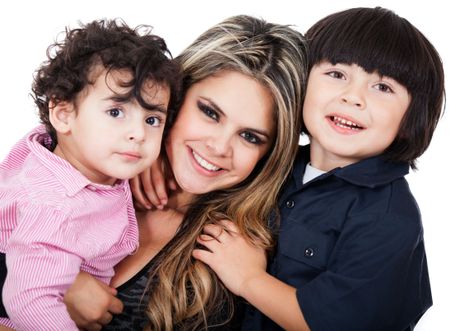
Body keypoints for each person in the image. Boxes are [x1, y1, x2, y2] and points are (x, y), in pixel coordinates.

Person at [192, 7, 445, 331]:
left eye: (382, 87)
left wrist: (249, 278)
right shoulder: (275, 162)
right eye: (337, 74)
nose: (353, 98)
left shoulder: (389, 218)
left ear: (413, 116)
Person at [63, 15, 307, 330]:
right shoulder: (83, 157)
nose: (219, 147)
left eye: (250, 137)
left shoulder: (236, 255)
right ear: (175, 96)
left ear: (269, 154)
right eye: (209, 112)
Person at [0, 19, 181, 330]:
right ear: (63, 114)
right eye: (116, 112)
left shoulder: (53, 150)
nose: (137, 133)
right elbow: (30, 301)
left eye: (152, 119)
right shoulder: (54, 206)